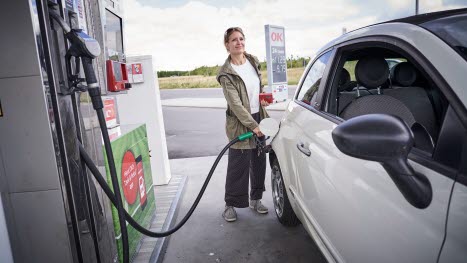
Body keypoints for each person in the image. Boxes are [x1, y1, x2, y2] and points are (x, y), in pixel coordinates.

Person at [216, 27, 270, 222]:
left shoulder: (253, 61)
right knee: (238, 165)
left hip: (259, 116)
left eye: (241, 39)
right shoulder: (226, 74)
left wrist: (263, 99)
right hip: (240, 122)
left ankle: (256, 199)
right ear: (227, 45)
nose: (239, 42)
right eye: (234, 40)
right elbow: (236, 105)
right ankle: (230, 205)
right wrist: (254, 126)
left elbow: (257, 88)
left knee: (258, 161)